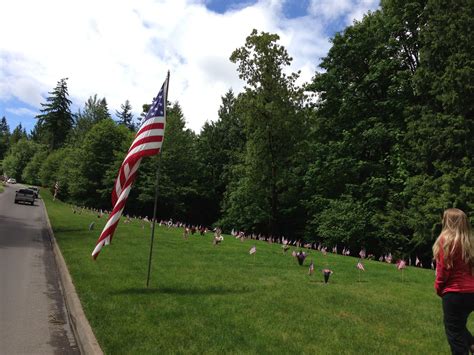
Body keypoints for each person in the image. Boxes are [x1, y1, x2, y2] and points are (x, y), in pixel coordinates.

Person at [433, 208, 474, 355]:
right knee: (459, 326)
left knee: (455, 336)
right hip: (471, 294)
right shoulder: (470, 243)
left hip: (454, 293)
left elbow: (443, 271)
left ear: (448, 222)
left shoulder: (445, 241)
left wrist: (439, 288)